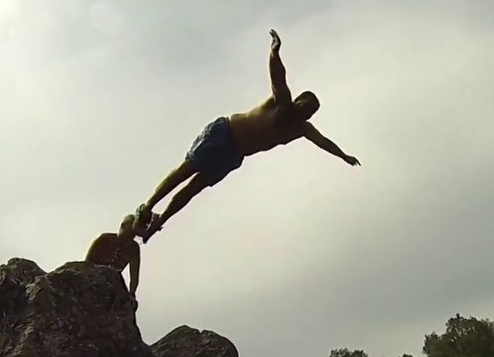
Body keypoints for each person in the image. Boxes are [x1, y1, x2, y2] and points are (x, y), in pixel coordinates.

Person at [134, 28, 359, 242]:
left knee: (194, 188)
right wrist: (274, 51)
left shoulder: (300, 129)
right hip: (225, 132)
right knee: (188, 169)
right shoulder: (282, 102)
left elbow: (323, 142)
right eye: (305, 105)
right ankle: (148, 206)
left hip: (234, 154)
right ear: (298, 100)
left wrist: (344, 156)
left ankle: (158, 222)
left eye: (310, 111)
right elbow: (278, 76)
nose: (305, 111)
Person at [84, 213, 141, 295]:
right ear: (122, 226)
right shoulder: (104, 239)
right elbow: (87, 262)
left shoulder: (133, 248)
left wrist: (132, 293)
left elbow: (134, 277)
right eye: (127, 234)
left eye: (132, 236)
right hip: (94, 275)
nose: (127, 240)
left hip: (114, 280)